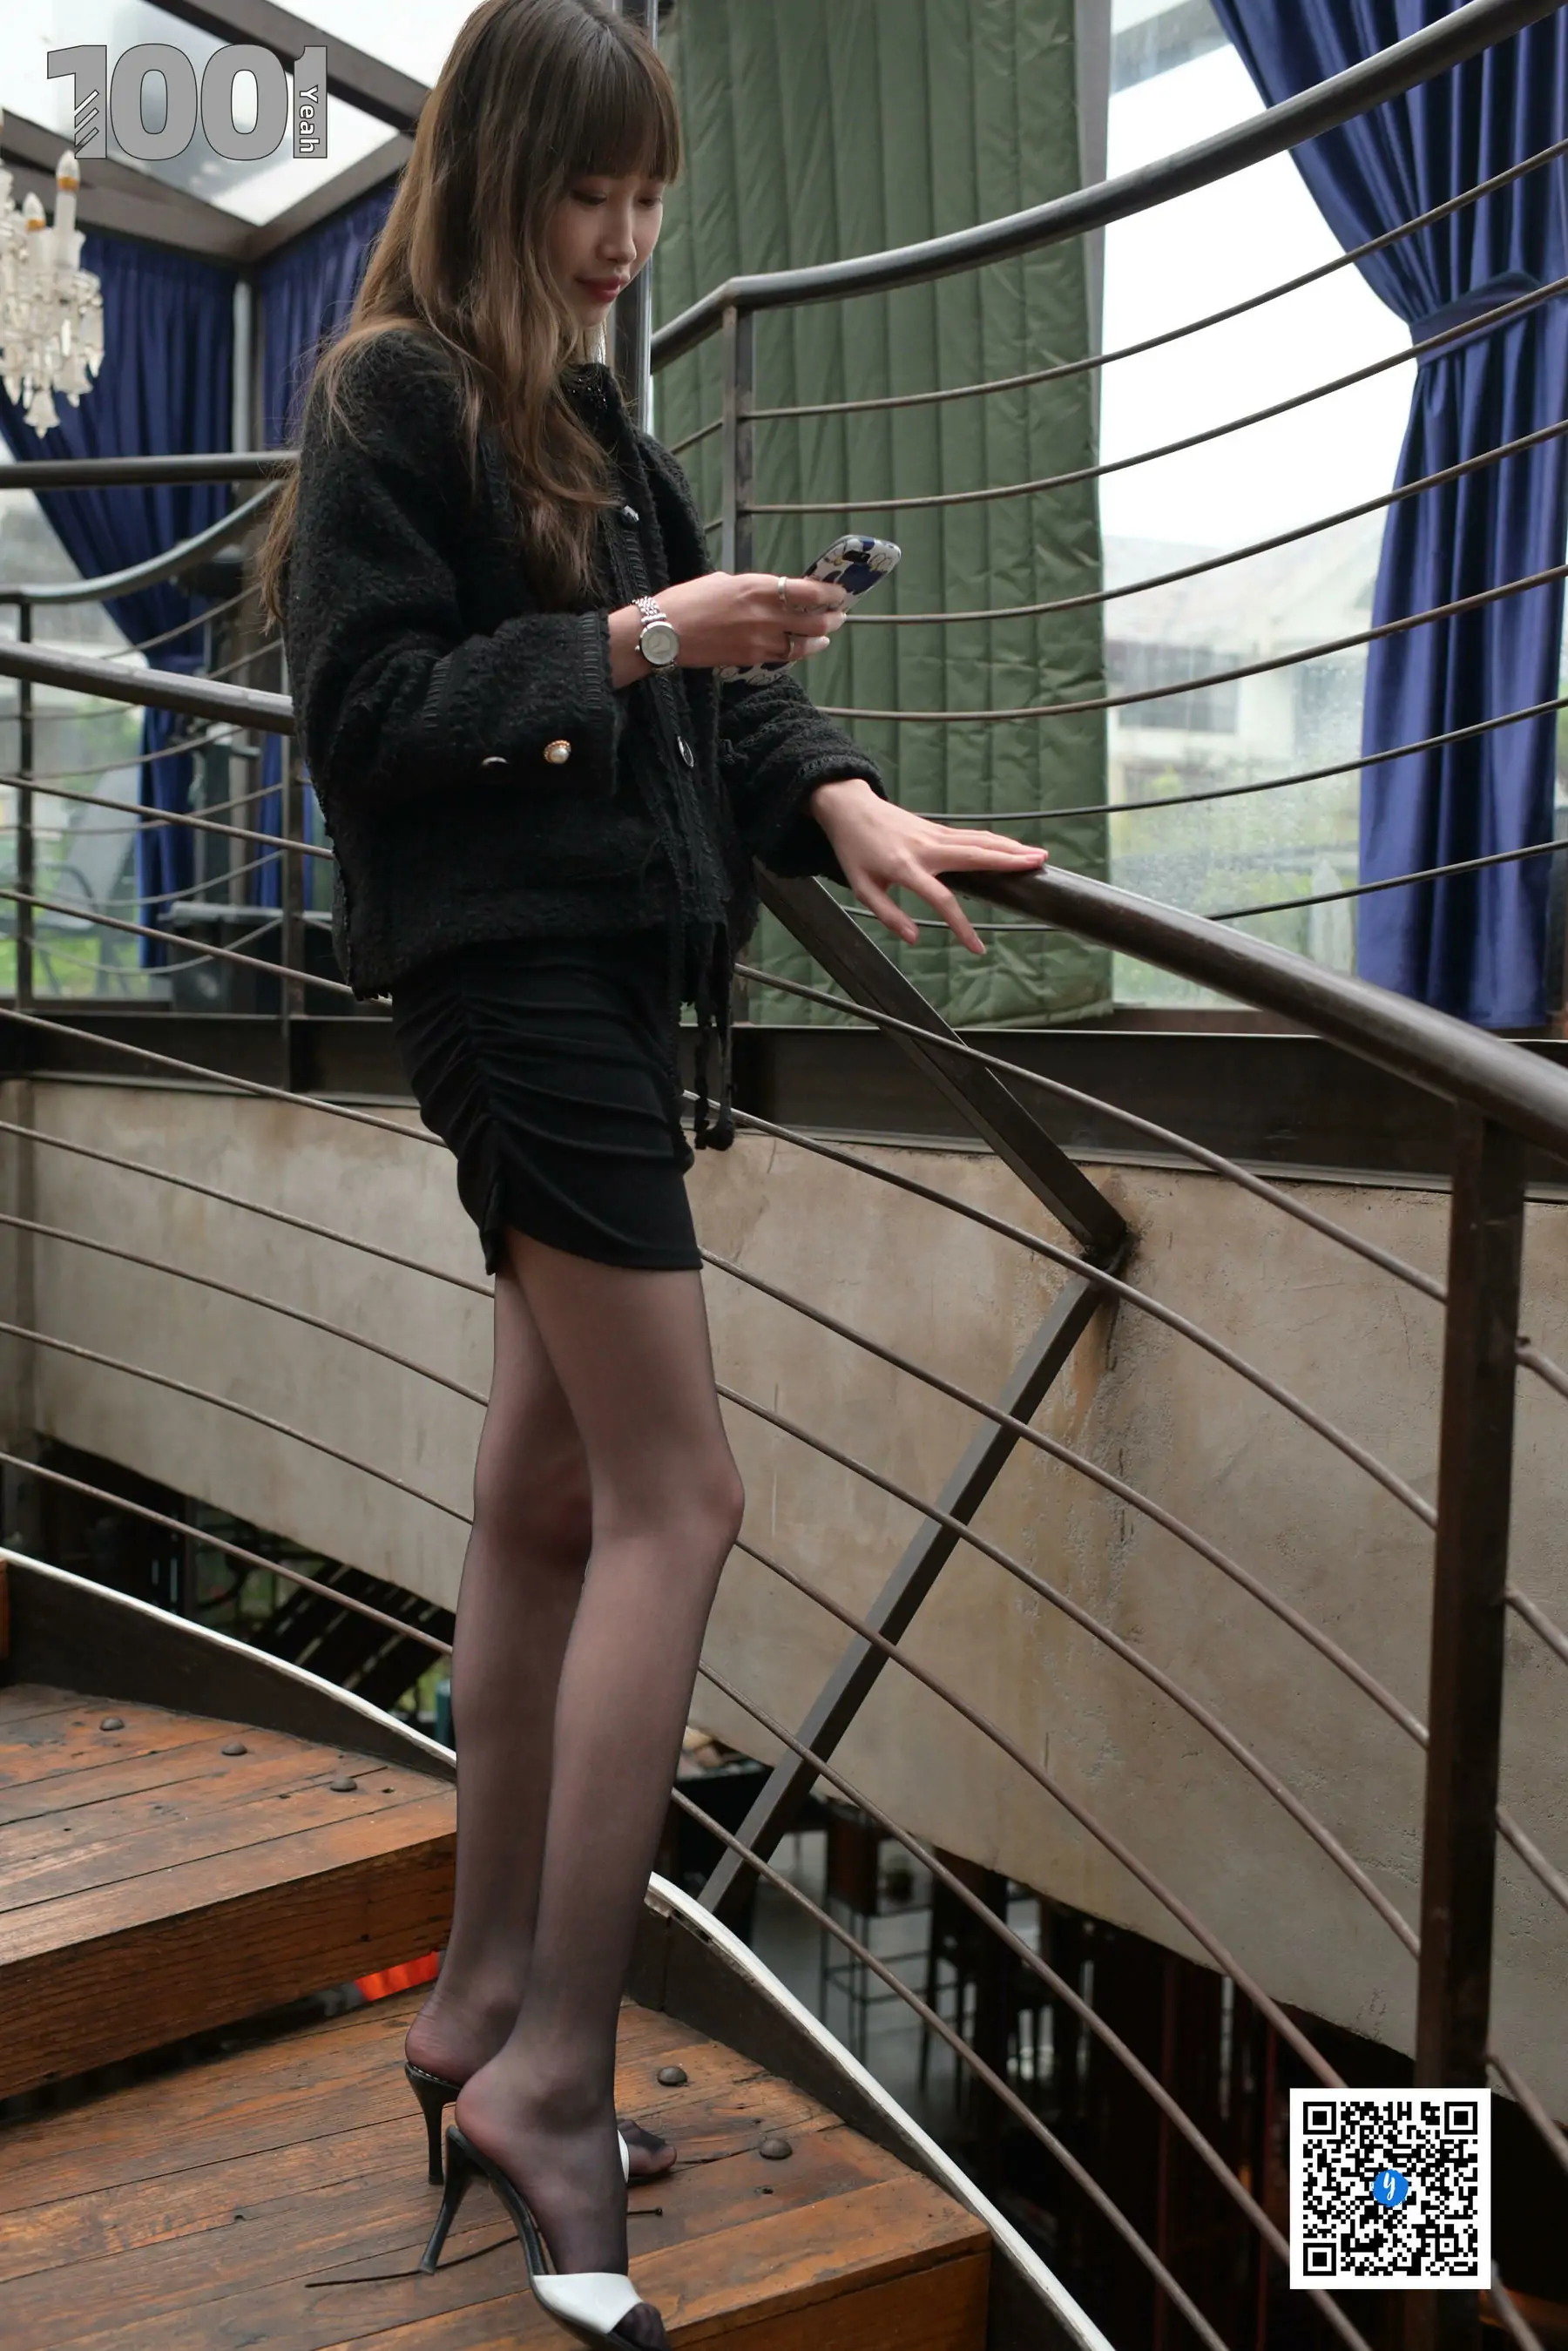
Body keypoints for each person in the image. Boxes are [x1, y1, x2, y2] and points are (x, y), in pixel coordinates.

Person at [261, 2, 1044, 2341]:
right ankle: (556, 2076)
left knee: (545, 1504)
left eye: (647, 196)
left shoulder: (587, 418)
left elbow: (716, 686)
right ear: (499, 174)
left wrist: (841, 798)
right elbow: (368, 718)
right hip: (513, 998)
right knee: (679, 1503)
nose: (624, 237)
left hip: (600, 994)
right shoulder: (391, 394)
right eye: (587, 193)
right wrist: (624, 636)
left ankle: (475, 2015)